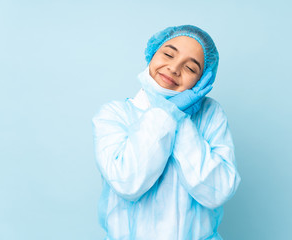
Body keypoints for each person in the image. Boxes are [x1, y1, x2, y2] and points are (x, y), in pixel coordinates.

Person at [92, 25, 241, 240]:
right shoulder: (114, 114)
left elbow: (218, 190)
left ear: (202, 80)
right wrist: (169, 114)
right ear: (152, 54)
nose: (173, 68)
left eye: (190, 68)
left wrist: (181, 119)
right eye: (168, 54)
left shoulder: (210, 114)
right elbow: (128, 182)